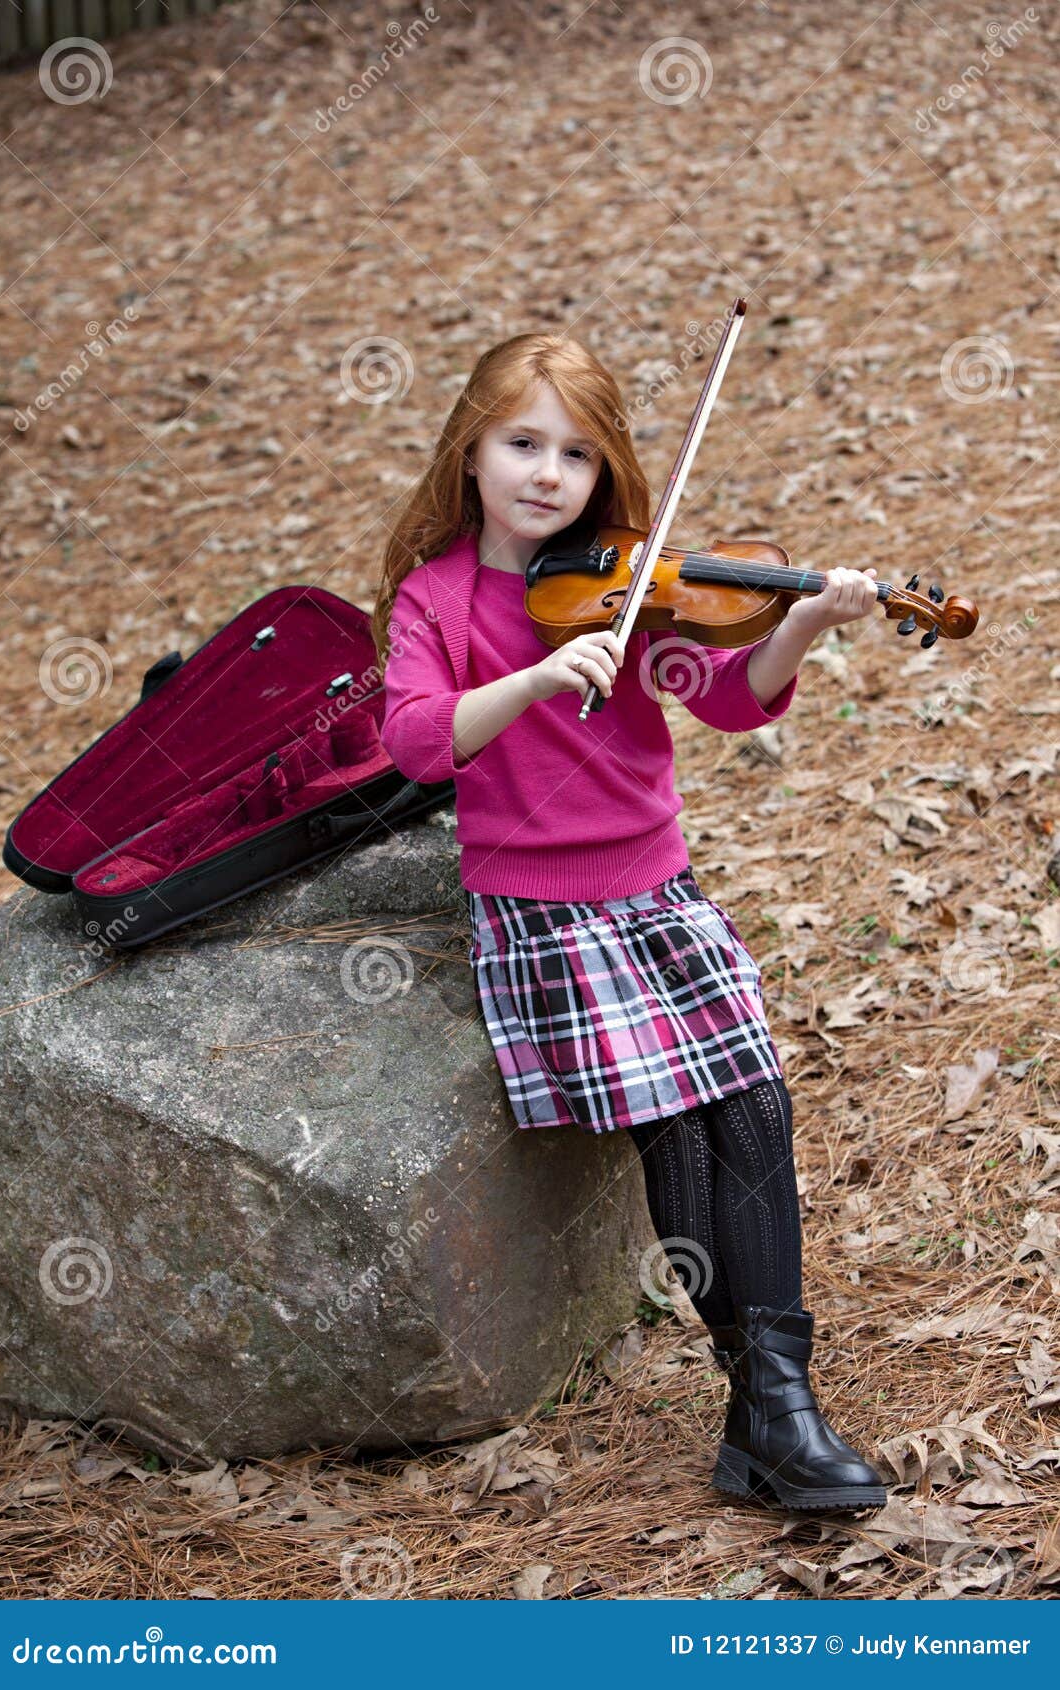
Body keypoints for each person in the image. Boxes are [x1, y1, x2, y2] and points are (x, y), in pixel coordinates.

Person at [374, 331, 887, 1514]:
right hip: (544, 914)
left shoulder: (626, 572)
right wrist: (537, 681)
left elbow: (726, 698)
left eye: (576, 453)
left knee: (753, 1102)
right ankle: (769, 1417)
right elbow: (412, 738)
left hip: (654, 888)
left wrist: (805, 618)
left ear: (604, 474)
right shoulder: (438, 597)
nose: (548, 473)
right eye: (522, 444)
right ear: (470, 450)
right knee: (674, 1136)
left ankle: (775, 1407)